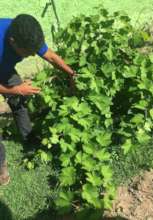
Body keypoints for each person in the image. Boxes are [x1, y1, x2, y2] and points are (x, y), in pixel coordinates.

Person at [0, 14, 76, 185]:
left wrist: (71, 73)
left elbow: (50, 56)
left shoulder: (27, 33)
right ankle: (0, 164)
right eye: (28, 53)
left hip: (3, 69)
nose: (33, 55)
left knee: (19, 102)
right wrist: (17, 89)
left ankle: (29, 138)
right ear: (12, 42)